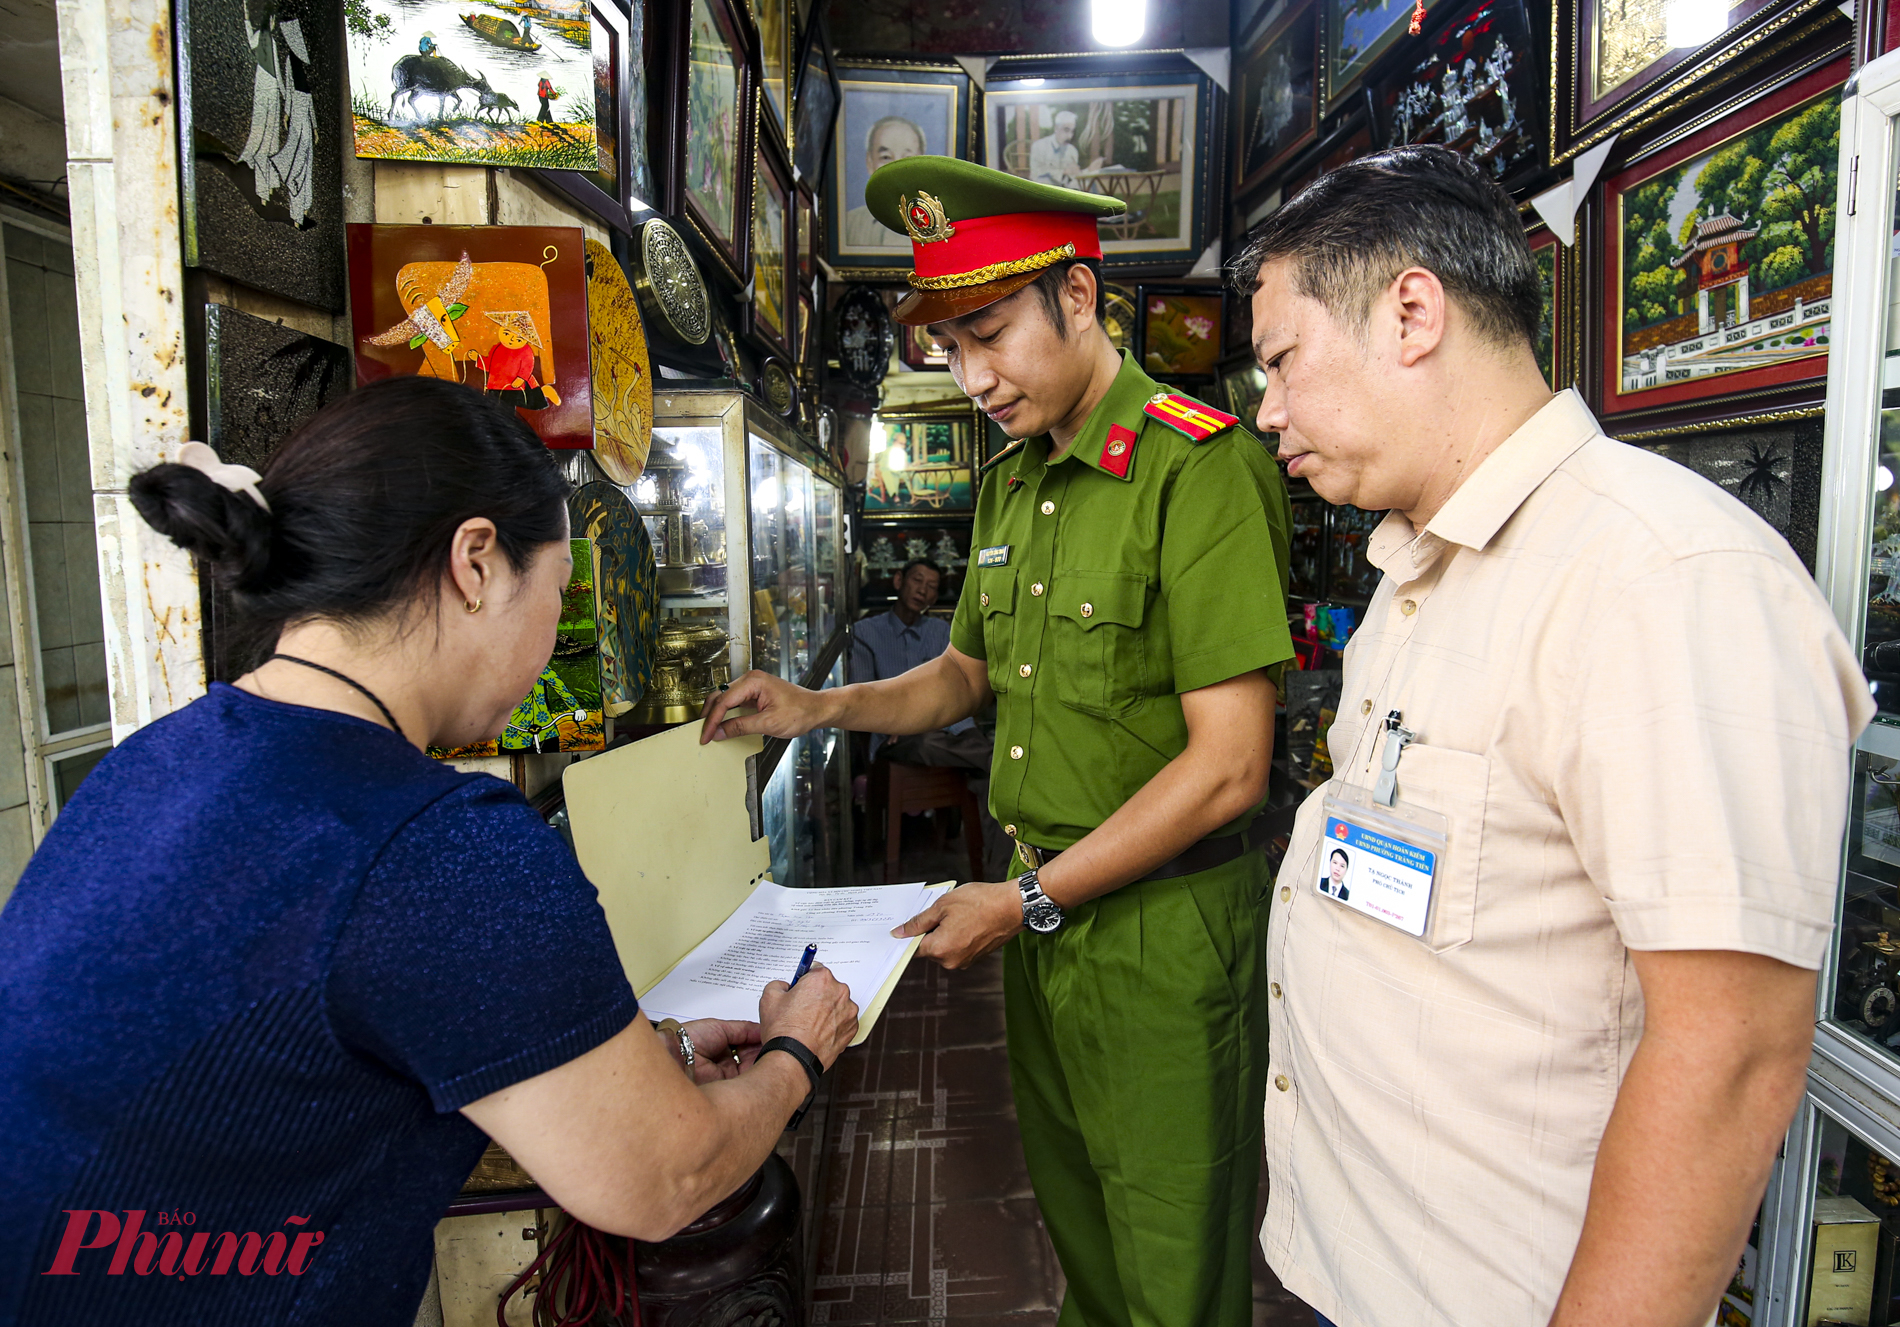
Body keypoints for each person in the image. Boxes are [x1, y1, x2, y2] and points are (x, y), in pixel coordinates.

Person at [0, 377, 857, 1323]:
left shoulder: (153, 762)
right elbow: (667, 1176)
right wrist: (796, 1051)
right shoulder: (442, 849)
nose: (554, 639)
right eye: (563, 591)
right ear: (477, 562)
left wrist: (656, 1054)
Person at [1235, 144, 1871, 1327]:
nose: (1265, 407)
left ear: (1411, 312)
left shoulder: (1661, 577)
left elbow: (1729, 1056)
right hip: (1364, 1260)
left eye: (1281, 358)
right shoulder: (1416, 567)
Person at [703, 155, 1296, 1327]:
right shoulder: (1013, 482)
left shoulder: (1198, 466)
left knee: (1175, 1262)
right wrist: (818, 708)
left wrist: (1020, 900)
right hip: (1047, 916)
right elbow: (964, 672)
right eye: (950, 347)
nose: (972, 377)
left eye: (990, 332)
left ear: (1079, 296)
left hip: (1162, 937)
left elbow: (1228, 765)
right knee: (1082, 1229)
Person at [851, 557, 1006, 875]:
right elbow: (860, 695)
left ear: (936, 597)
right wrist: (898, 719)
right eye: (917, 580)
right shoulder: (866, 632)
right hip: (897, 737)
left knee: (990, 778)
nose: (923, 590)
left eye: (932, 587)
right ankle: (999, 761)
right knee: (948, 748)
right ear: (898, 581)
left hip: (954, 729)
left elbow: (964, 688)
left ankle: (999, 868)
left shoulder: (942, 631)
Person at [842, 116, 926, 249]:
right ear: (870, 163)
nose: (895, 167)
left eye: (907, 158)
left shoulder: (937, 226)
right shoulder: (848, 224)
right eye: (886, 157)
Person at [1027, 110, 1102, 190]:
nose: (1070, 136)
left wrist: (1088, 171)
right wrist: (1063, 172)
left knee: (1089, 184)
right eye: (1066, 130)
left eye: (1072, 131)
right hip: (1045, 187)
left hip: (1065, 187)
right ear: (1056, 128)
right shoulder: (1039, 146)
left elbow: (1073, 176)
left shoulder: (1072, 150)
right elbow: (1035, 173)